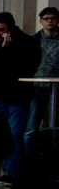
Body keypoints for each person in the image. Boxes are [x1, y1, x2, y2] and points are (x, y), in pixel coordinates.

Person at [0, 11, 40, 180]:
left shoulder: (27, 42)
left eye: (1, 29)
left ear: (10, 28)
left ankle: (13, 172)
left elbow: (22, 67)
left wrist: (6, 50)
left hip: (17, 96)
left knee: (14, 133)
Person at [29, 7, 59, 141]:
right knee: (31, 127)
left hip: (58, 87)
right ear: (41, 21)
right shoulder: (33, 41)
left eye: (53, 18)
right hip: (38, 86)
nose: (50, 21)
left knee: (56, 125)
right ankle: (30, 157)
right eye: (46, 18)